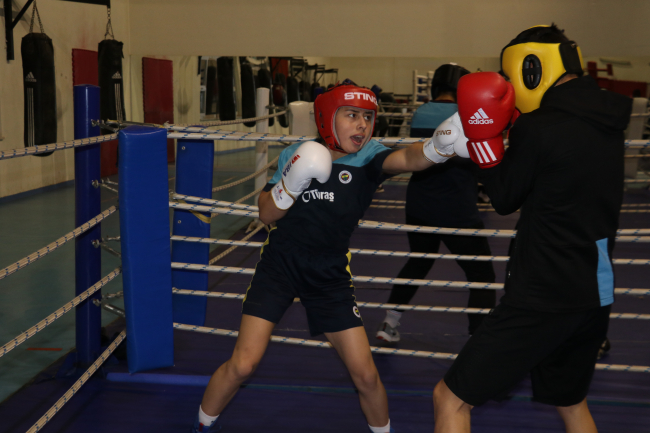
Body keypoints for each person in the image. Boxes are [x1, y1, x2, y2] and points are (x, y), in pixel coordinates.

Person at [190, 80, 466, 433]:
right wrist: (290, 185)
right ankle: (201, 425)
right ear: (327, 117)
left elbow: (410, 158)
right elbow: (266, 214)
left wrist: (438, 147)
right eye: (351, 115)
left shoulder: (371, 157)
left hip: (329, 275)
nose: (362, 125)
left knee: (366, 375)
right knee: (243, 364)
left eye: (368, 117)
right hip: (279, 268)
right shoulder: (297, 153)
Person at [432, 25, 632, 432]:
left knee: (449, 399)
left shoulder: (539, 126)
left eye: (510, 76)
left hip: (543, 292)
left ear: (531, 68)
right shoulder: (609, 119)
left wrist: (484, 143)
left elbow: (504, 198)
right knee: (571, 403)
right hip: (595, 288)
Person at [376, 64, 496, 343]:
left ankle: (389, 324)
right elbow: (479, 159)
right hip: (457, 208)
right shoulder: (468, 115)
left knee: (418, 263)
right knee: (481, 273)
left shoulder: (421, 112)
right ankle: (479, 338)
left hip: (420, 204)